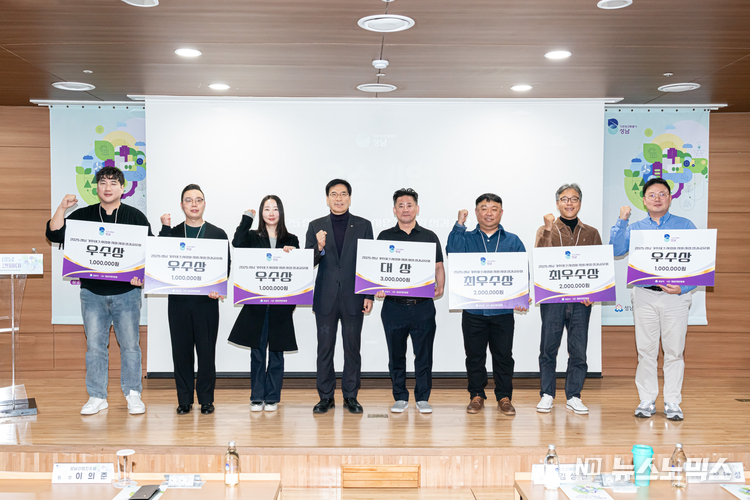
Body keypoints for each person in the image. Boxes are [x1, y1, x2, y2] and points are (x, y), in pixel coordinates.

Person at [46, 166, 153, 415]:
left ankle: (133, 395)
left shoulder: (135, 217)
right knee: (95, 347)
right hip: (92, 293)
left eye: (113, 183)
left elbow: (149, 251)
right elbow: (54, 233)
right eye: (103, 182)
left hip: (127, 294)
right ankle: (97, 396)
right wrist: (62, 208)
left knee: (130, 346)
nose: (107, 187)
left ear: (122, 188)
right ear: (97, 187)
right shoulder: (83, 215)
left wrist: (140, 275)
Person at [610, 177, 696, 421]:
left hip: (676, 297)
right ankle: (646, 399)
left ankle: (672, 401)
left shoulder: (685, 226)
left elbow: (699, 262)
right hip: (645, 295)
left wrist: (683, 288)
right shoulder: (635, 228)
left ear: (670, 198)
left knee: (674, 351)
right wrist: (622, 221)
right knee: (646, 350)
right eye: (652, 195)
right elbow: (615, 250)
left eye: (662, 194)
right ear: (644, 200)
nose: (657, 199)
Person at [446, 193, 529, 416]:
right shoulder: (466, 238)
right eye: (484, 208)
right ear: (476, 212)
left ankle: (504, 397)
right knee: (474, 356)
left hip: (502, 312)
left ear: (501, 212)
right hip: (473, 310)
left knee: (504, 356)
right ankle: (476, 395)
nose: (489, 213)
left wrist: (522, 296)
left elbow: (522, 272)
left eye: (494, 209)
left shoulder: (513, 240)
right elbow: (452, 253)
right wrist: (459, 225)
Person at [159, 184, 229, 416]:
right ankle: (184, 400)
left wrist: (217, 287)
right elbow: (160, 260)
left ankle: (206, 399)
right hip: (178, 303)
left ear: (204, 204)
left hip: (206, 303)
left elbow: (225, 266)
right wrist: (164, 228)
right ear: (182, 205)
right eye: (188, 200)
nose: (194, 204)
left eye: (198, 200)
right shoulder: (173, 233)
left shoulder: (218, 234)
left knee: (207, 354)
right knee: (181, 353)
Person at [305, 179, 374, 414]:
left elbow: (369, 262)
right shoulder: (315, 226)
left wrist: (369, 294)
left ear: (350, 198)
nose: (339, 198)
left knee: (352, 348)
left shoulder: (364, 225)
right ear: (327, 199)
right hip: (325, 296)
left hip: (354, 296)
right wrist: (319, 247)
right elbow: (308, 262)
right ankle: (325, 397)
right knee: (325, 348)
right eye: (334, 194)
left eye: (343, 194)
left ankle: (350, 396)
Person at [375, 188, 445, 414]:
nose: (405, 209)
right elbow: (377, 269)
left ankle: (423, 397)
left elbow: (438, 266)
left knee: (423, 355)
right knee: (396, 355)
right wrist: (376, 288)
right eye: (401, 205)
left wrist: (440, 285)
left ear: (417, 208)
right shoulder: (384, 236)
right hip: (393, 307)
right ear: (394, 210)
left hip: (422, 307)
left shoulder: (429, 236)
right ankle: (400, 396)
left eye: (409, 205)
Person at [534, 183, 602, 415]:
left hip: (581, 302)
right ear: (557, 203)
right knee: (548, 349)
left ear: (580, 203)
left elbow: (598, 266)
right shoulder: (546, 229)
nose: (569, 203)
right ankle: (547, 394)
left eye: (574, 199)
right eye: (564, 199)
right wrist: (548, 228)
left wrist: (593, 294)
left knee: (578, 350)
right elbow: (541, 258)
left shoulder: (591, 232)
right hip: (553, 300)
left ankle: (574, 395)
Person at [228, 195, 299, 412]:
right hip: (256, 305)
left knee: (277, 354)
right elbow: (237, 243)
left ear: (281, 212)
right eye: (267, 209)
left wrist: (292, 254)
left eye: (275, 209)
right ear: (261, 213)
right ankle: (257, 397)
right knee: (257, 353)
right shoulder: (251, 236)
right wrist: (246, 219)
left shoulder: (291, 239)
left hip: (281, 306)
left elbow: (298, 270)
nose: (271, 213)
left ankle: (272, 398)